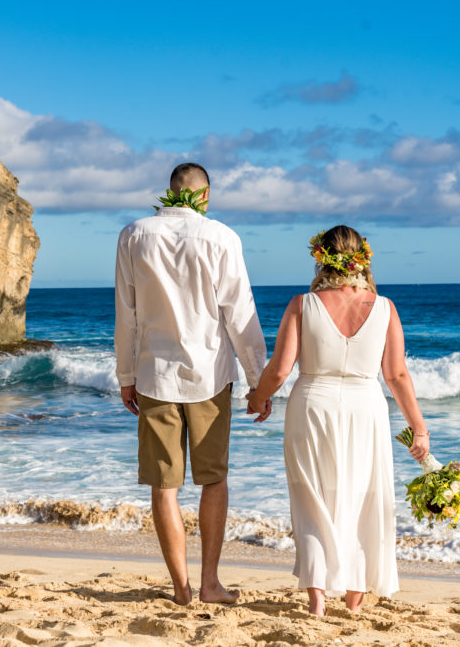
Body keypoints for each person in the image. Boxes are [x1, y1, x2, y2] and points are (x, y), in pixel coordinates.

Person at [247, 225, 430, 616]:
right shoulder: (384, 307)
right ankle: (354, 600)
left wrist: (259, 396)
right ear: (363, 257)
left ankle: (316, 600)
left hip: (312, 404)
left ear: (321, 257)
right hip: (366, 409)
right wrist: (419, 427)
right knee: (363, 498)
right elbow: (396, 375)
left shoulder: (303, 304)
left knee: (313, 498)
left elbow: (280, 370)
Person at [115, 162, 271, 606]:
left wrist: (125, 375)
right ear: (204, 196)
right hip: (209, 376)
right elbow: (239, 313)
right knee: (213, 480)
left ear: (170, 192)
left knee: (164, 486)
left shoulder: (133, 234)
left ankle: (181, 589)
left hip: (154, 375)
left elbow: (125, 312)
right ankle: (210, 584)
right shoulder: (222, 237)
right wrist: (258, 381)